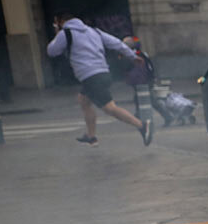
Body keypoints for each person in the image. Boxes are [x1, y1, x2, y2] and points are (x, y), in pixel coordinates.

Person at [45, 12, 153, 147]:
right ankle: (91, 136)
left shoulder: (65, 33)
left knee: (110, 108)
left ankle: (142, 125)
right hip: (102, 73)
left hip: (90, 76)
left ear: (60, 22)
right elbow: (117, 43)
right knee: (83, 100)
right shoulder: (94, 31)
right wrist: (132, 56)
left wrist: (57, 33)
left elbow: (52, 51)